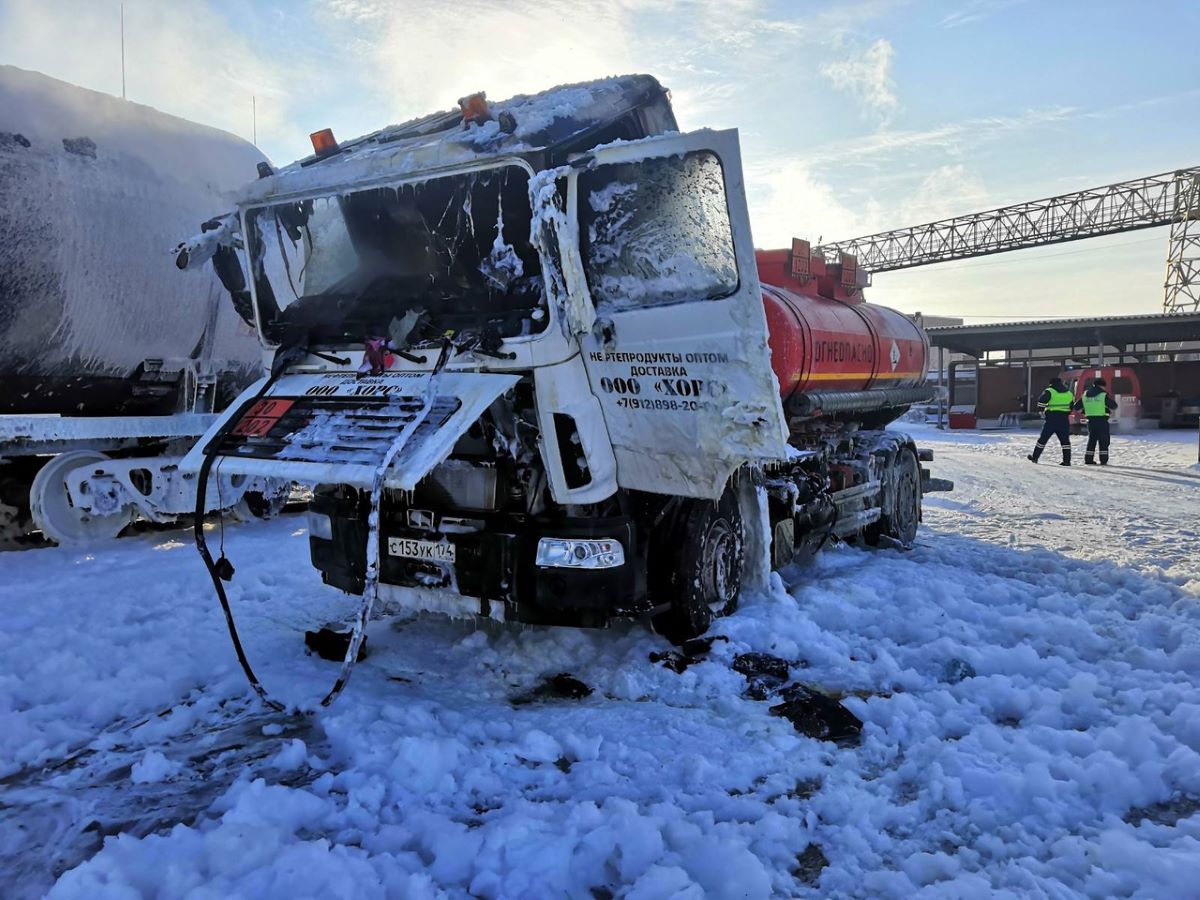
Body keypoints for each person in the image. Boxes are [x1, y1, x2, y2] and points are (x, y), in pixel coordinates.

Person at [1027, 376, 1074, 465]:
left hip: (1051, 419)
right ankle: (1067, 461)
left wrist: (1042, 411)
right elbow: (1072, 406)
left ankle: (1035, 457)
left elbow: (1040, 403)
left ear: (1051, 383)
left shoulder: (1049, 391)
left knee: (1042, 440)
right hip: (1064, 419)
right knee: (1065, 442)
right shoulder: (1069, 393)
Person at [1073, 377, 1117, 465]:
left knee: (1092, 440)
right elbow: (1114, 406)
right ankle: (1103, 460)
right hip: (1102, 420)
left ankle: (1088, 459)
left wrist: (1084, 411)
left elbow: (1076, 407)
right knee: (1103, 440)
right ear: (1102, 386)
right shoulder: (1103, 395)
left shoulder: (1085, 395)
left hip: (1090, 421)